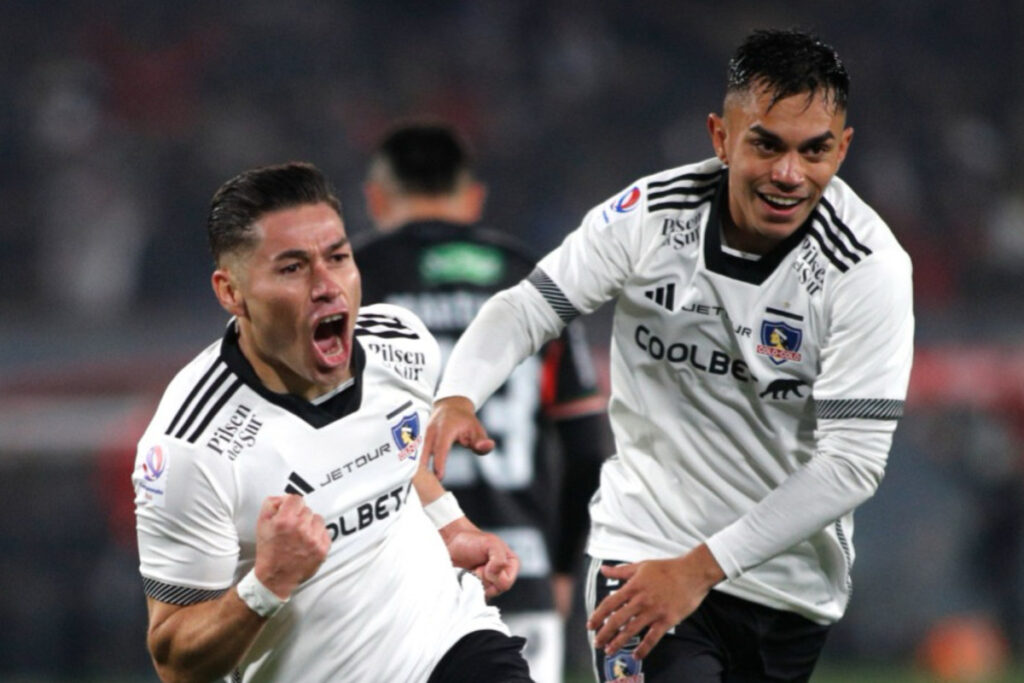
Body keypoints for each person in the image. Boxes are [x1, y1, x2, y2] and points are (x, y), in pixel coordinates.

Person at [425, 29, 914, 683]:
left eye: (814, 150)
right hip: (644, 555)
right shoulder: (650, 217)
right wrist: (459, 393)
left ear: (843, 148)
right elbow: (528, 307)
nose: (789, 174)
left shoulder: (866, 268)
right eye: (766, 143)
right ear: (721, 136)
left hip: (786, 590)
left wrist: (701, 568)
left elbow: (852, 465)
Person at [131, 161, 534, 682]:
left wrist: (450, 526)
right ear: (231, 293)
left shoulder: (402, 345)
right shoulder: (192, 448)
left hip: (450, 645)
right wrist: (268, 580)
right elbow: (175, 662)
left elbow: (397, 452)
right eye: (293, 268)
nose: (327, 286)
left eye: (338, 257)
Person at [356, 121, 611, 683]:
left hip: (393, 576)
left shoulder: (350, 280)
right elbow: (588, 448)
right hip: (520, 569)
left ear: (376, 197)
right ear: (472, 198)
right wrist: (563, 571)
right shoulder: (528, 282)